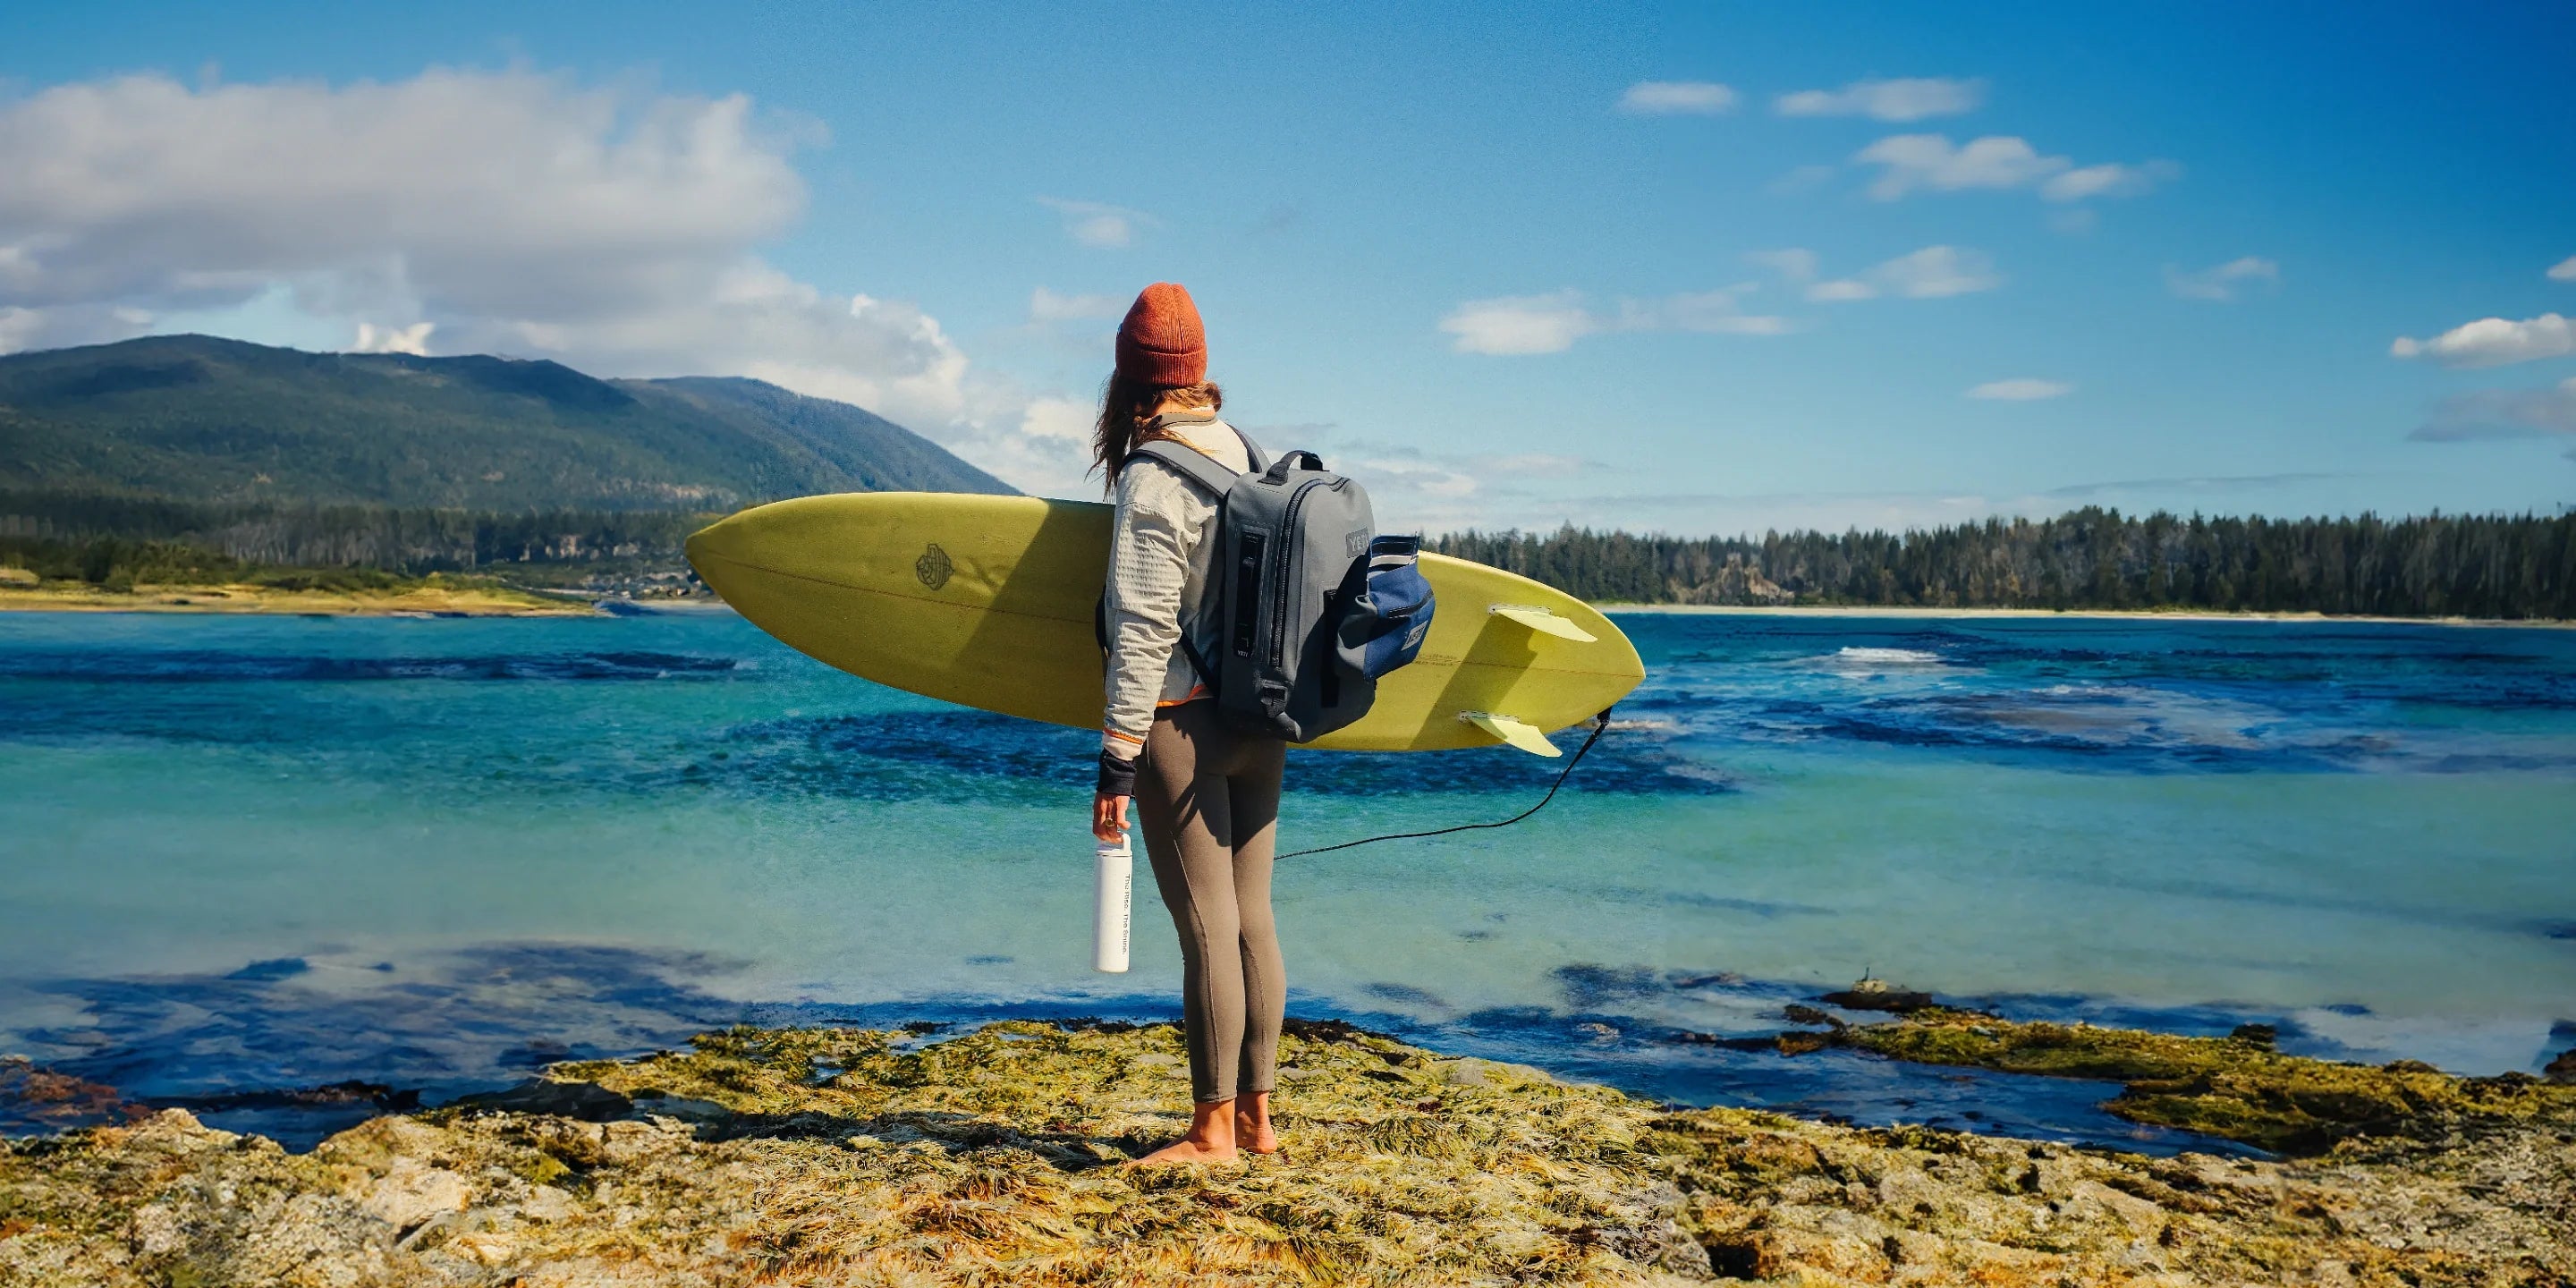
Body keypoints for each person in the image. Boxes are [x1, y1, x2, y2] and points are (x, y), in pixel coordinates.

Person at [1089, 282, 1286, 1165]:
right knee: (1252, 920)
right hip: (1262, 721)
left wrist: (1116, 761)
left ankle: (1210, 1131)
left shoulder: (1153, 475)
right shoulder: (1248, 453)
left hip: (1180, 725)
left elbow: (1142, 630)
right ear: (1199, 370)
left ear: (1129, 379)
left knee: (1207, 925)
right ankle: (1257, 1122)